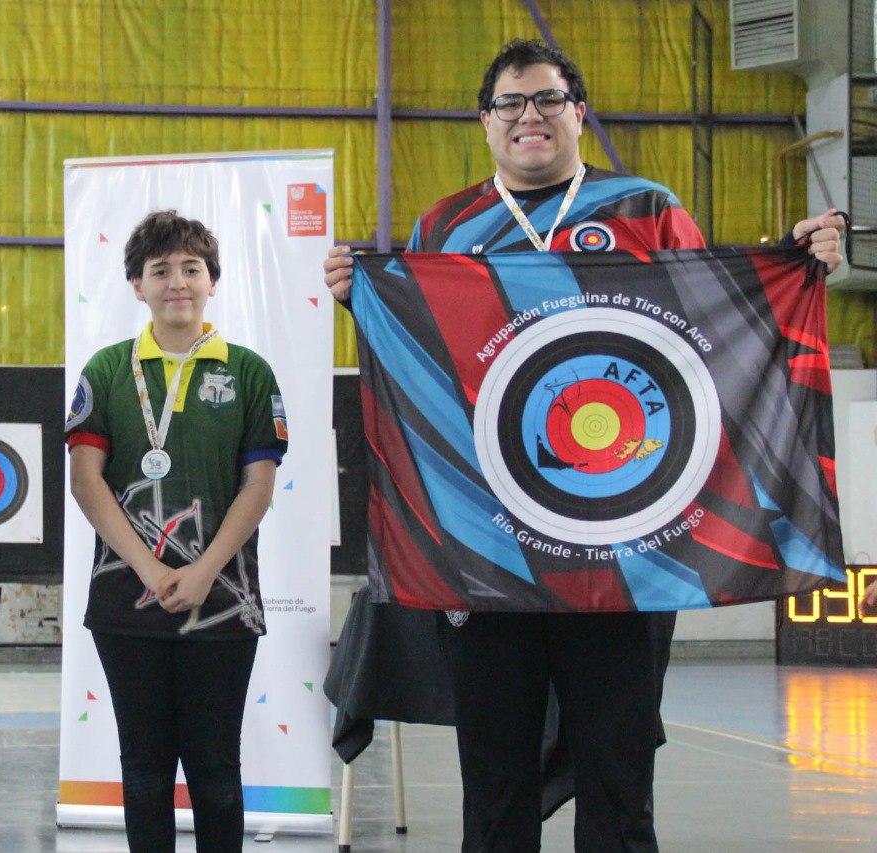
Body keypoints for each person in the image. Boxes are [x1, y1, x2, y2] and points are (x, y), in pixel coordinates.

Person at [324, 39, 845, 852]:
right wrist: (363, 297)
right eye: (510, 102)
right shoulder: (444, 227)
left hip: (627, 552)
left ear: (579, 113)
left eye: (547, 99)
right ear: (485, 121)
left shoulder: (645, 208)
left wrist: (794, 256)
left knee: (618, 781)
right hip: (489, 551)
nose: (528, 116)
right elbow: (428, 362)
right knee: (494, 786)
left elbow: (714, 321)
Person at [65, 211, 287, 851]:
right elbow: (86, 482)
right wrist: (153, 570)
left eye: (191, 268)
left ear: (213, 280)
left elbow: (258, 487)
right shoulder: (107, 369)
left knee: (215, 768)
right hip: (127, 600)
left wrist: (203, 571)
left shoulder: (249, 372)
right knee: (143, 767)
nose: (177, 282)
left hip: (223, 601)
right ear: (137, 285)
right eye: (160, 271)